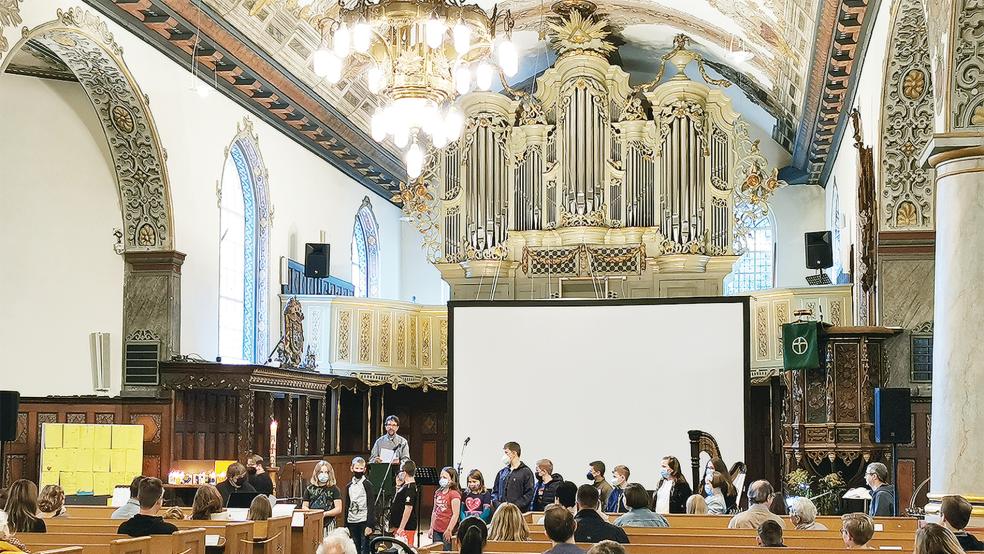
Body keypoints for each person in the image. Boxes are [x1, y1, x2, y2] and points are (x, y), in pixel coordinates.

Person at [344, 457, 376, 554]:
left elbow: (371, 505)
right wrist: (346, 525)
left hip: (364, 521)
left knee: (364, 548)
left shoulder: (367, 484)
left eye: (361, 469)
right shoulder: (349, 486)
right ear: (352, 468)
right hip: (352, 520)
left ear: (365, 470)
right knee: (354, 547)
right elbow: (347, 505)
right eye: (356, 468)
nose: (358, 471)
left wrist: (370, 525)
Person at [492, 442, 534, 512]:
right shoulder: (502, 472)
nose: (504, 456)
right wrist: (498, 505)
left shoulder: (526, 472)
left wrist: (513, 506)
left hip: (517, 513)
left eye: (506, 453)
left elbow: (529, 494)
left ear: (514, 453)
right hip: (502, 512)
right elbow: (495, 492)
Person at [303, 460, 343, 530]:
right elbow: (304, 506)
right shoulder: (309, 489)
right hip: (312, 522)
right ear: (316, 473)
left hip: (328, 523)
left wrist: (324, 514)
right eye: (321, 472)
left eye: (326, 472)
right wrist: (311, 513)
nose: (323, 474)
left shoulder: (334, 489)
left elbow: (338, 509)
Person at [429, 466, 462, 550]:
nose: (442, 479)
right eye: (441, 477)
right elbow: (434, 511)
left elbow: (455, 514)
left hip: (447, 530)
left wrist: (449, 530)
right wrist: (431, 527)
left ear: (452, 479)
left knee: (447, 550)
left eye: (444, 477)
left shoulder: (454, 494)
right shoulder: (438, 492)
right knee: (436, 549)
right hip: (437, 528)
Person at [388, 460, 418, 546]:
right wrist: (398, 486)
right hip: (398, 525)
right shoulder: (405, 485)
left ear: (405, 472)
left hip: (406, 527)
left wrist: (401, 527)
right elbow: (397, 500)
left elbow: (408, 508)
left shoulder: (410, 488)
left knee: (405, 549)